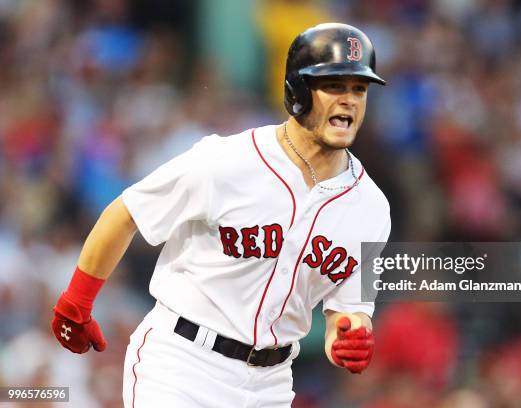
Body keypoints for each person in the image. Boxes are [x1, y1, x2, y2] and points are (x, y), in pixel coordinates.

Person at [51, 22, 391, 407]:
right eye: (334, 86)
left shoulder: (371, 208)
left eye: (358, 89)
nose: (349, 100)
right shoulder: (228, 161)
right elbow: (127, 213)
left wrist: (349, 338)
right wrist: (77, 300)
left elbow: (346, 313)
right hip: (182, 362)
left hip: (271, 383)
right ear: (298, 91)